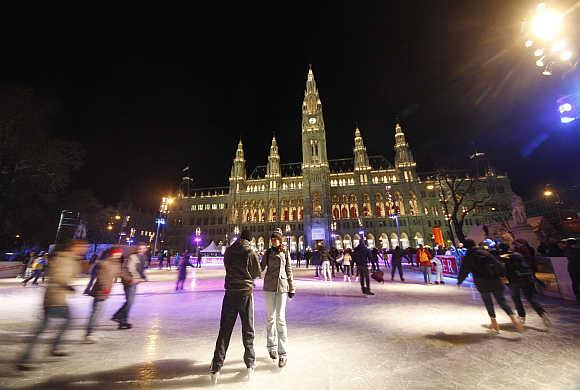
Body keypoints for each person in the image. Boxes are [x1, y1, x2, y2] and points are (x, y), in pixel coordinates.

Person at [17, 240, 88, 370]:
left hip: (58, 298)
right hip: (55, 299)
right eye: (82, 247)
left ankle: (52, 348)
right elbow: (57, 277)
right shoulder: (64, 259)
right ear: (73, 247)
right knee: (42, 330)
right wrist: (67, 286)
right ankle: (24, 359)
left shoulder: (71, 260)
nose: (85, 249)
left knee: (64, 322)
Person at [209, 229, 261, 384]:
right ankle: (250, 363)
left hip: (230, 292)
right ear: (250, 240)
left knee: (225, 330)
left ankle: (216, 366)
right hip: (245, 293)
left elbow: (227, 267)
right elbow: (256, 272)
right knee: (248, 329)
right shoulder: (250, 251)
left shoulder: (229, 251)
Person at [457, 240, 523, 333]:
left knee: (488, 302)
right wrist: (503, 276)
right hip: (494, 280)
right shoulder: (485, 253)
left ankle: (494, 323)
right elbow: (498, 264)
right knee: (501, 300)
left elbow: (464, 270)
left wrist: (460, 281)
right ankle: (513, 317)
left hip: (482, 282)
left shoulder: (468, 257)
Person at [260, 229, 295, 368]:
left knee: (280, 319)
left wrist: (292, 287)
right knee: (270, 318)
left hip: (282, 287)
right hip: (269, 287)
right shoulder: (268, 253)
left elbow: (289, 269)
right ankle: (272, 347)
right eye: (272, 239)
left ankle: (283, 353)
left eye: (276, 239)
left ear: (280, 240)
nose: (274, 240)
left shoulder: (285, 252)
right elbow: (261, 268)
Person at [497, 243, 551, 327]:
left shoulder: (505, 258)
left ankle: (521, 316)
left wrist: (506, 281)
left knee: (516, 298)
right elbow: (529, 269)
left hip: (514, 281)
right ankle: (542, 313)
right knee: (531, 298)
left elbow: (505, 271)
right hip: (527, 279)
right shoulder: (519, 256)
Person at [85, 247, 122, 342]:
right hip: (100, 291)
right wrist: (104, 288)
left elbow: (120, 273)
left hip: (106, 292)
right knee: (96, 313)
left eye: (120, 253)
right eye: (118, 253)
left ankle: (90, 332)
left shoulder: (115, 264)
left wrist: (129, 278)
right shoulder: (104, 263)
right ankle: (89, 334)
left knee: (99, 313)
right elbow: (100, 277)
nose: (119, 255)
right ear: (113, 254)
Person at [112, 243, 147, 329]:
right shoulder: (133, 257)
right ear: (137, 249)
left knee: (129, 301)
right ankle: (121, 319)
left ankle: (120, 318)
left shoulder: (142, 257)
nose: (142, 250)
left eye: (144, 248)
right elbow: (130, 269)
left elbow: (140, 269)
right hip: (129, 281)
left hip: (133, 281)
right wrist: (134, 278)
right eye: (140, 248)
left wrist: (143, 277)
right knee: (130, 301)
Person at [563, 239, 580, 303]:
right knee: (576, 282)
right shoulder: (575, 251)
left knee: (575, 282)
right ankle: (577, 295)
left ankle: (577, 295)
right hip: (576, 268)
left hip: (571, 268)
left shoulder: (567, 250)